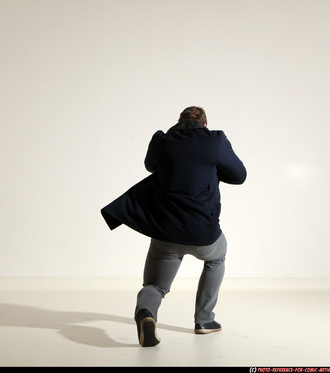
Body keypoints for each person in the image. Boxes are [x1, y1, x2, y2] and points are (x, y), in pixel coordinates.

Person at [101, 106, 246, 347]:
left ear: (178, 122)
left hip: (165, 232)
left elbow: (151, 166)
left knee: (155, 285)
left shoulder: (162, 140)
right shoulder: (215, 140)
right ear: (205, 125)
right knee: (217, 258)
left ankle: (146, 314)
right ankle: (204, 320)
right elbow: (239, 176)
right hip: (204, 235)